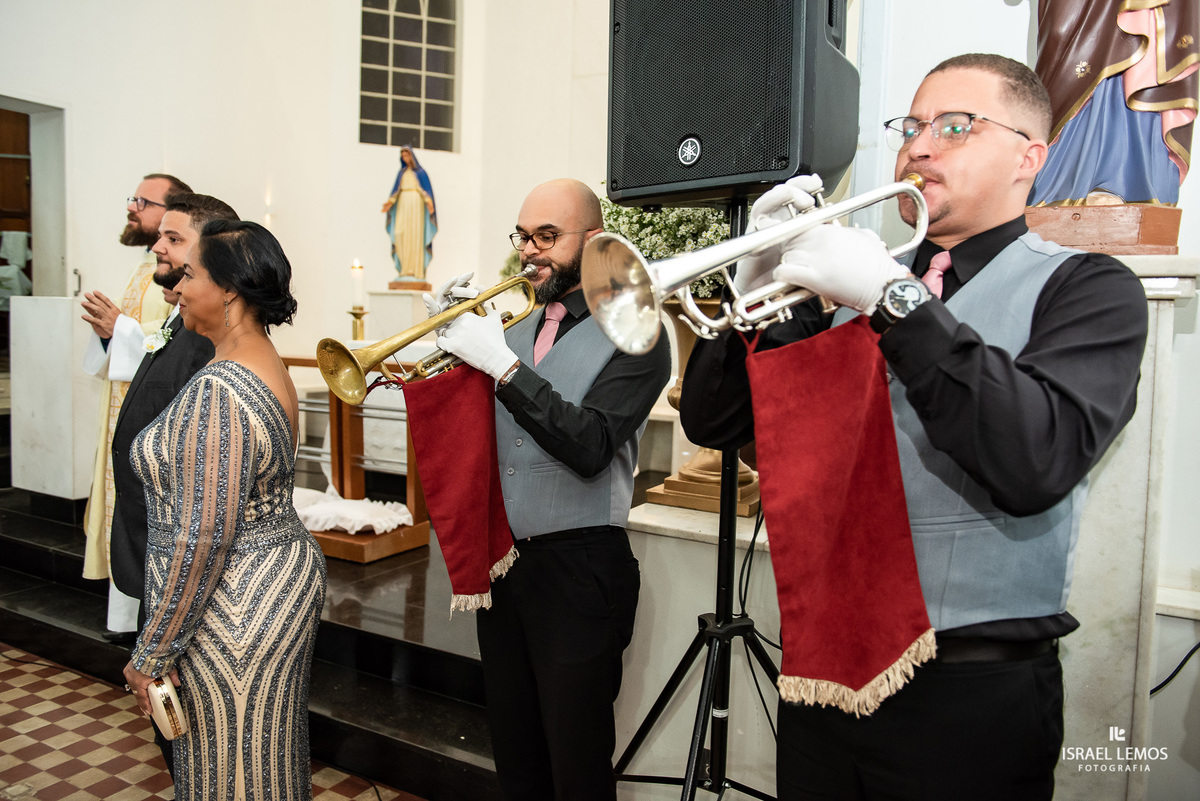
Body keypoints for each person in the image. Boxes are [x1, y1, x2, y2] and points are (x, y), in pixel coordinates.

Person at [679, 53, 1148, 800]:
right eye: (913, 127)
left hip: (969, 695)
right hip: (825, 679)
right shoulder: (839, 289)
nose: (919, 148)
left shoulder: (1089, 288)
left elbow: (1035, 458)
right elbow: (716, 421)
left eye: (956, 127)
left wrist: (892, 297)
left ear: (1031, 157)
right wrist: (753, 285)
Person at [431, 178, 672, 801]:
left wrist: (502, 367)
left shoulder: (637, 335)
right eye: (523, 236)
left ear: (594, 241)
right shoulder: (510, 330)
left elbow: (590, 446)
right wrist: (453, 348)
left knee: (577, 765)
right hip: (507, 569)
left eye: (547, 237)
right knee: (519, 758)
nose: (529, 251)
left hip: (581, 570)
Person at [122, 219, 327, 799]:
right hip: (265, 586)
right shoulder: (262, 360)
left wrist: (153, 652)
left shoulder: (222, 388)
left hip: (233, 609)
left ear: (230, 289)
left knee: (229, 773)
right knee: (261, 763)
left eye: (189, 274)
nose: (177, 286)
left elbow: (203, 536)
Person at [108, 192, 237, 774]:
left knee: (199, 741)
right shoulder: (179, 319)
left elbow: (203, 490)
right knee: (178, 741)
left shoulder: (216, 346)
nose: (158, 246)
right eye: (160, 236)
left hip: (185, 573)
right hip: (157, 555)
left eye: (174, 239)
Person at [81, 172, 193, 640]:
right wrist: (112, 332)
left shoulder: (176, 280)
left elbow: (180, 349)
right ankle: (130, 619)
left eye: (143, 202)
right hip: (124, 411)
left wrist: (120, 329)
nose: (133, 207)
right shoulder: (142, 271)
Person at [382, 145, 437, 282]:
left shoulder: (420, 173)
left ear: (412, 156)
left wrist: (429, 202)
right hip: (402, 205)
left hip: (416, 206)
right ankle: (404, 268)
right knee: (399, 233)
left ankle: (415, 270)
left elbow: (426, 191)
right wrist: (390, 202)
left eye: (407, 156)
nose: (405, 158)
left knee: (415, 236)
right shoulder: (402, 173)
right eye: (403, 156)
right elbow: (396, 191)